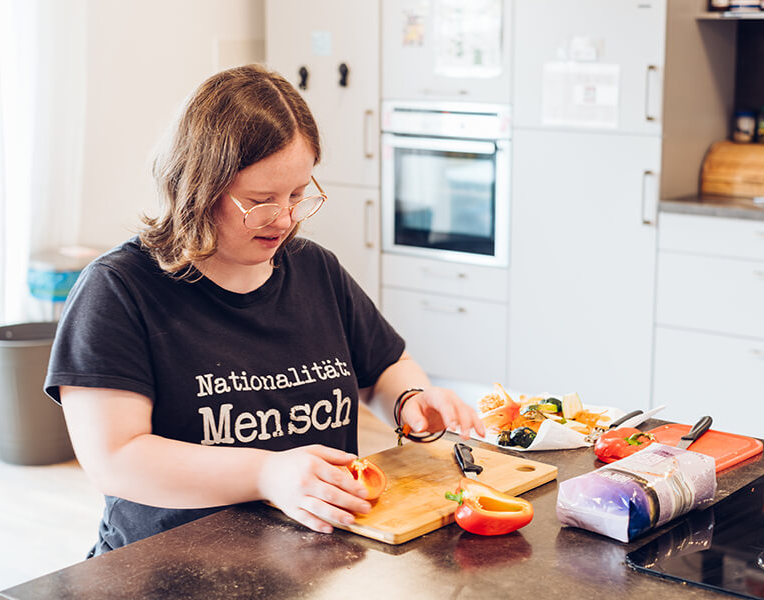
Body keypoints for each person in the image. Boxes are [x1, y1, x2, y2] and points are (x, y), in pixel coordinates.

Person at [44, 63, 485, 557]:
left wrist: (410, 399)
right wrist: (266, 472)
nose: (286, 219)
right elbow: (115, 458)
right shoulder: (119, 290)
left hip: (318, 559)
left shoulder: (314, 269)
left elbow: (382, 367)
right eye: (260, 200)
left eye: (298, 194)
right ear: (198, 187)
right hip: (169, 568)